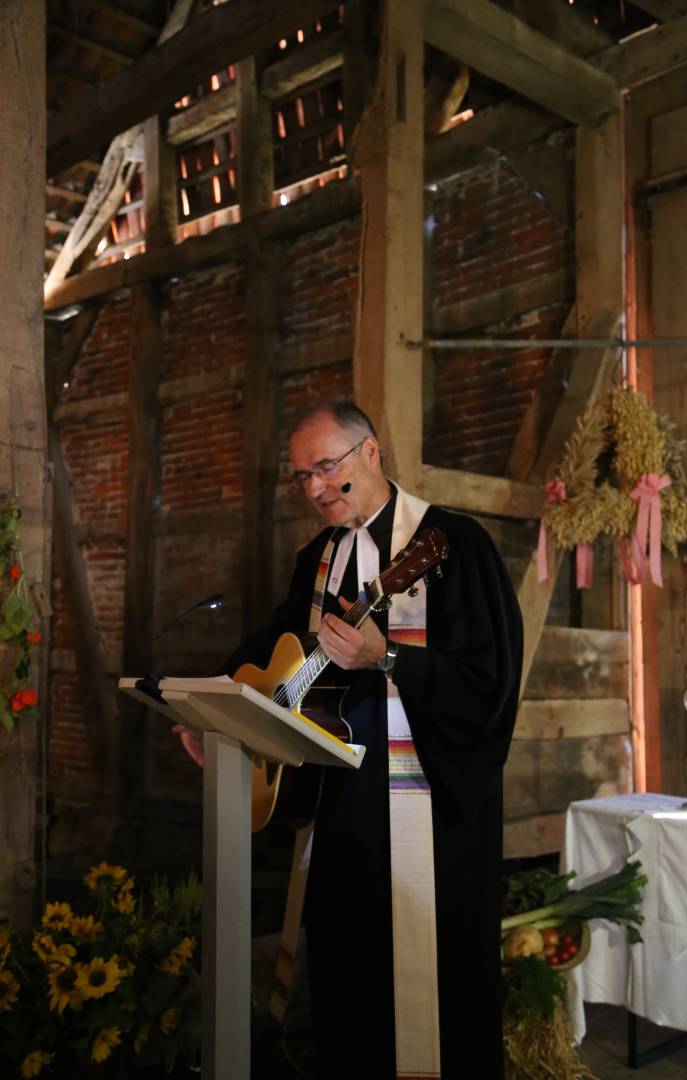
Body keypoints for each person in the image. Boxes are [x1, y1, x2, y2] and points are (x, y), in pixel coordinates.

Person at [176, 400, 523, 1079]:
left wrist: (388, 658)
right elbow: (275, 647)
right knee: (349, 985)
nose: (312, 489)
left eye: (326, 468)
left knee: (434, 995)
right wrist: (210, 707)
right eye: (301, 476)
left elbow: (490, 682)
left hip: (431, 812)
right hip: (340, 812)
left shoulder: (451, 544)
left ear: (370, 452)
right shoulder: (318, 559)